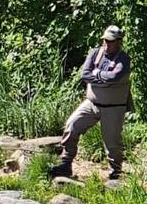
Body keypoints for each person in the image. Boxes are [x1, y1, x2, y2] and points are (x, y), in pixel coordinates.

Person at [49, 25, 132, 181]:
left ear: (119, 42)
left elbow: (116, 76)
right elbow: (85, 74)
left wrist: (97, 74)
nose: (106, 44)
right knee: (72, 125)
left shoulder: (124, 59)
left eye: (111, 41)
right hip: (92, 103)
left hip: (113, 108)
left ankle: (116, 173)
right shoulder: (95, 54)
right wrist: (103, 78)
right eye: (105, 40)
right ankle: (66, 163)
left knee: (112, 142)